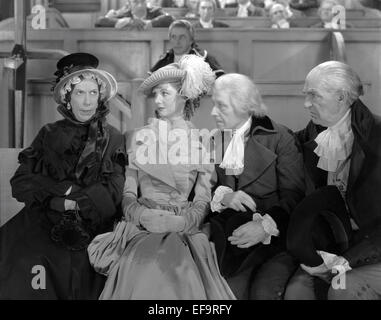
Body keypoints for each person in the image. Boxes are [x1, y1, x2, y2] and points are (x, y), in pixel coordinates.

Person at [88, 55, 235, 300]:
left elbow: (203, 198)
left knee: (178, 270)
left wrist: (180, 223)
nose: (157, 100)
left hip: (182, 227)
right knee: (145, 266)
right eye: (155, 94)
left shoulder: (202, 143)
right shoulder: (136, 137)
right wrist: (142, 215)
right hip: (142, 226)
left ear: (184, 96)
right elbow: (128, 192)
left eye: (165, 93)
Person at [0, 53, 126, 299]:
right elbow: (22, 181)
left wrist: (76, 202)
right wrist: (60, 198)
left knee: (80, 266)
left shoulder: (113, 137)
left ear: (100, 97)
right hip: (44, 217)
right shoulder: (48, 133)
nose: (87, 102)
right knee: (24, 258)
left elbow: (114, 190)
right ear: (68, 98)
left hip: (94, 222)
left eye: (92, 93)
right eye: (80, 93)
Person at [285, 61, 381, 300]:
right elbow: (282, 144)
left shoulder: (378, 138)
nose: (306, 103)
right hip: (333, 247)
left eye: (314, 96)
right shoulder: (316, 132)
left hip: (373, 250)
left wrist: (346, 260)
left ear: (341, 97)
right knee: (296, 293)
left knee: (341, 289)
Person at [208, 73, 305, 299]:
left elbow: (295, 195)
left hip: (275, 240)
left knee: (264, 293)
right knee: (225, 294)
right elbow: (202, 189)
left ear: (244, 106)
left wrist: (264, 226)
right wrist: (224, 197)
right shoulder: (215, 140)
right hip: (230, 239)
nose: (213, 112)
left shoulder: (280, 138)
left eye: (220, 106)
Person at [150, 20, 225, 77]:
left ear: (191, 40)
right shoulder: (164, 59)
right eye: (174, 37)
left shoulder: (204, 59)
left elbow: (220, 83)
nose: (177, 42)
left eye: (182, 37)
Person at [95, 0, 174, 29]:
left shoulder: (155, 11)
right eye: (135, 1)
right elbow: (99, 21)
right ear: (129, 3)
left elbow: (170, 19)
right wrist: (128, 22)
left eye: (142, 1)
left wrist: (146, 24)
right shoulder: (123, 13)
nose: (140, 5)